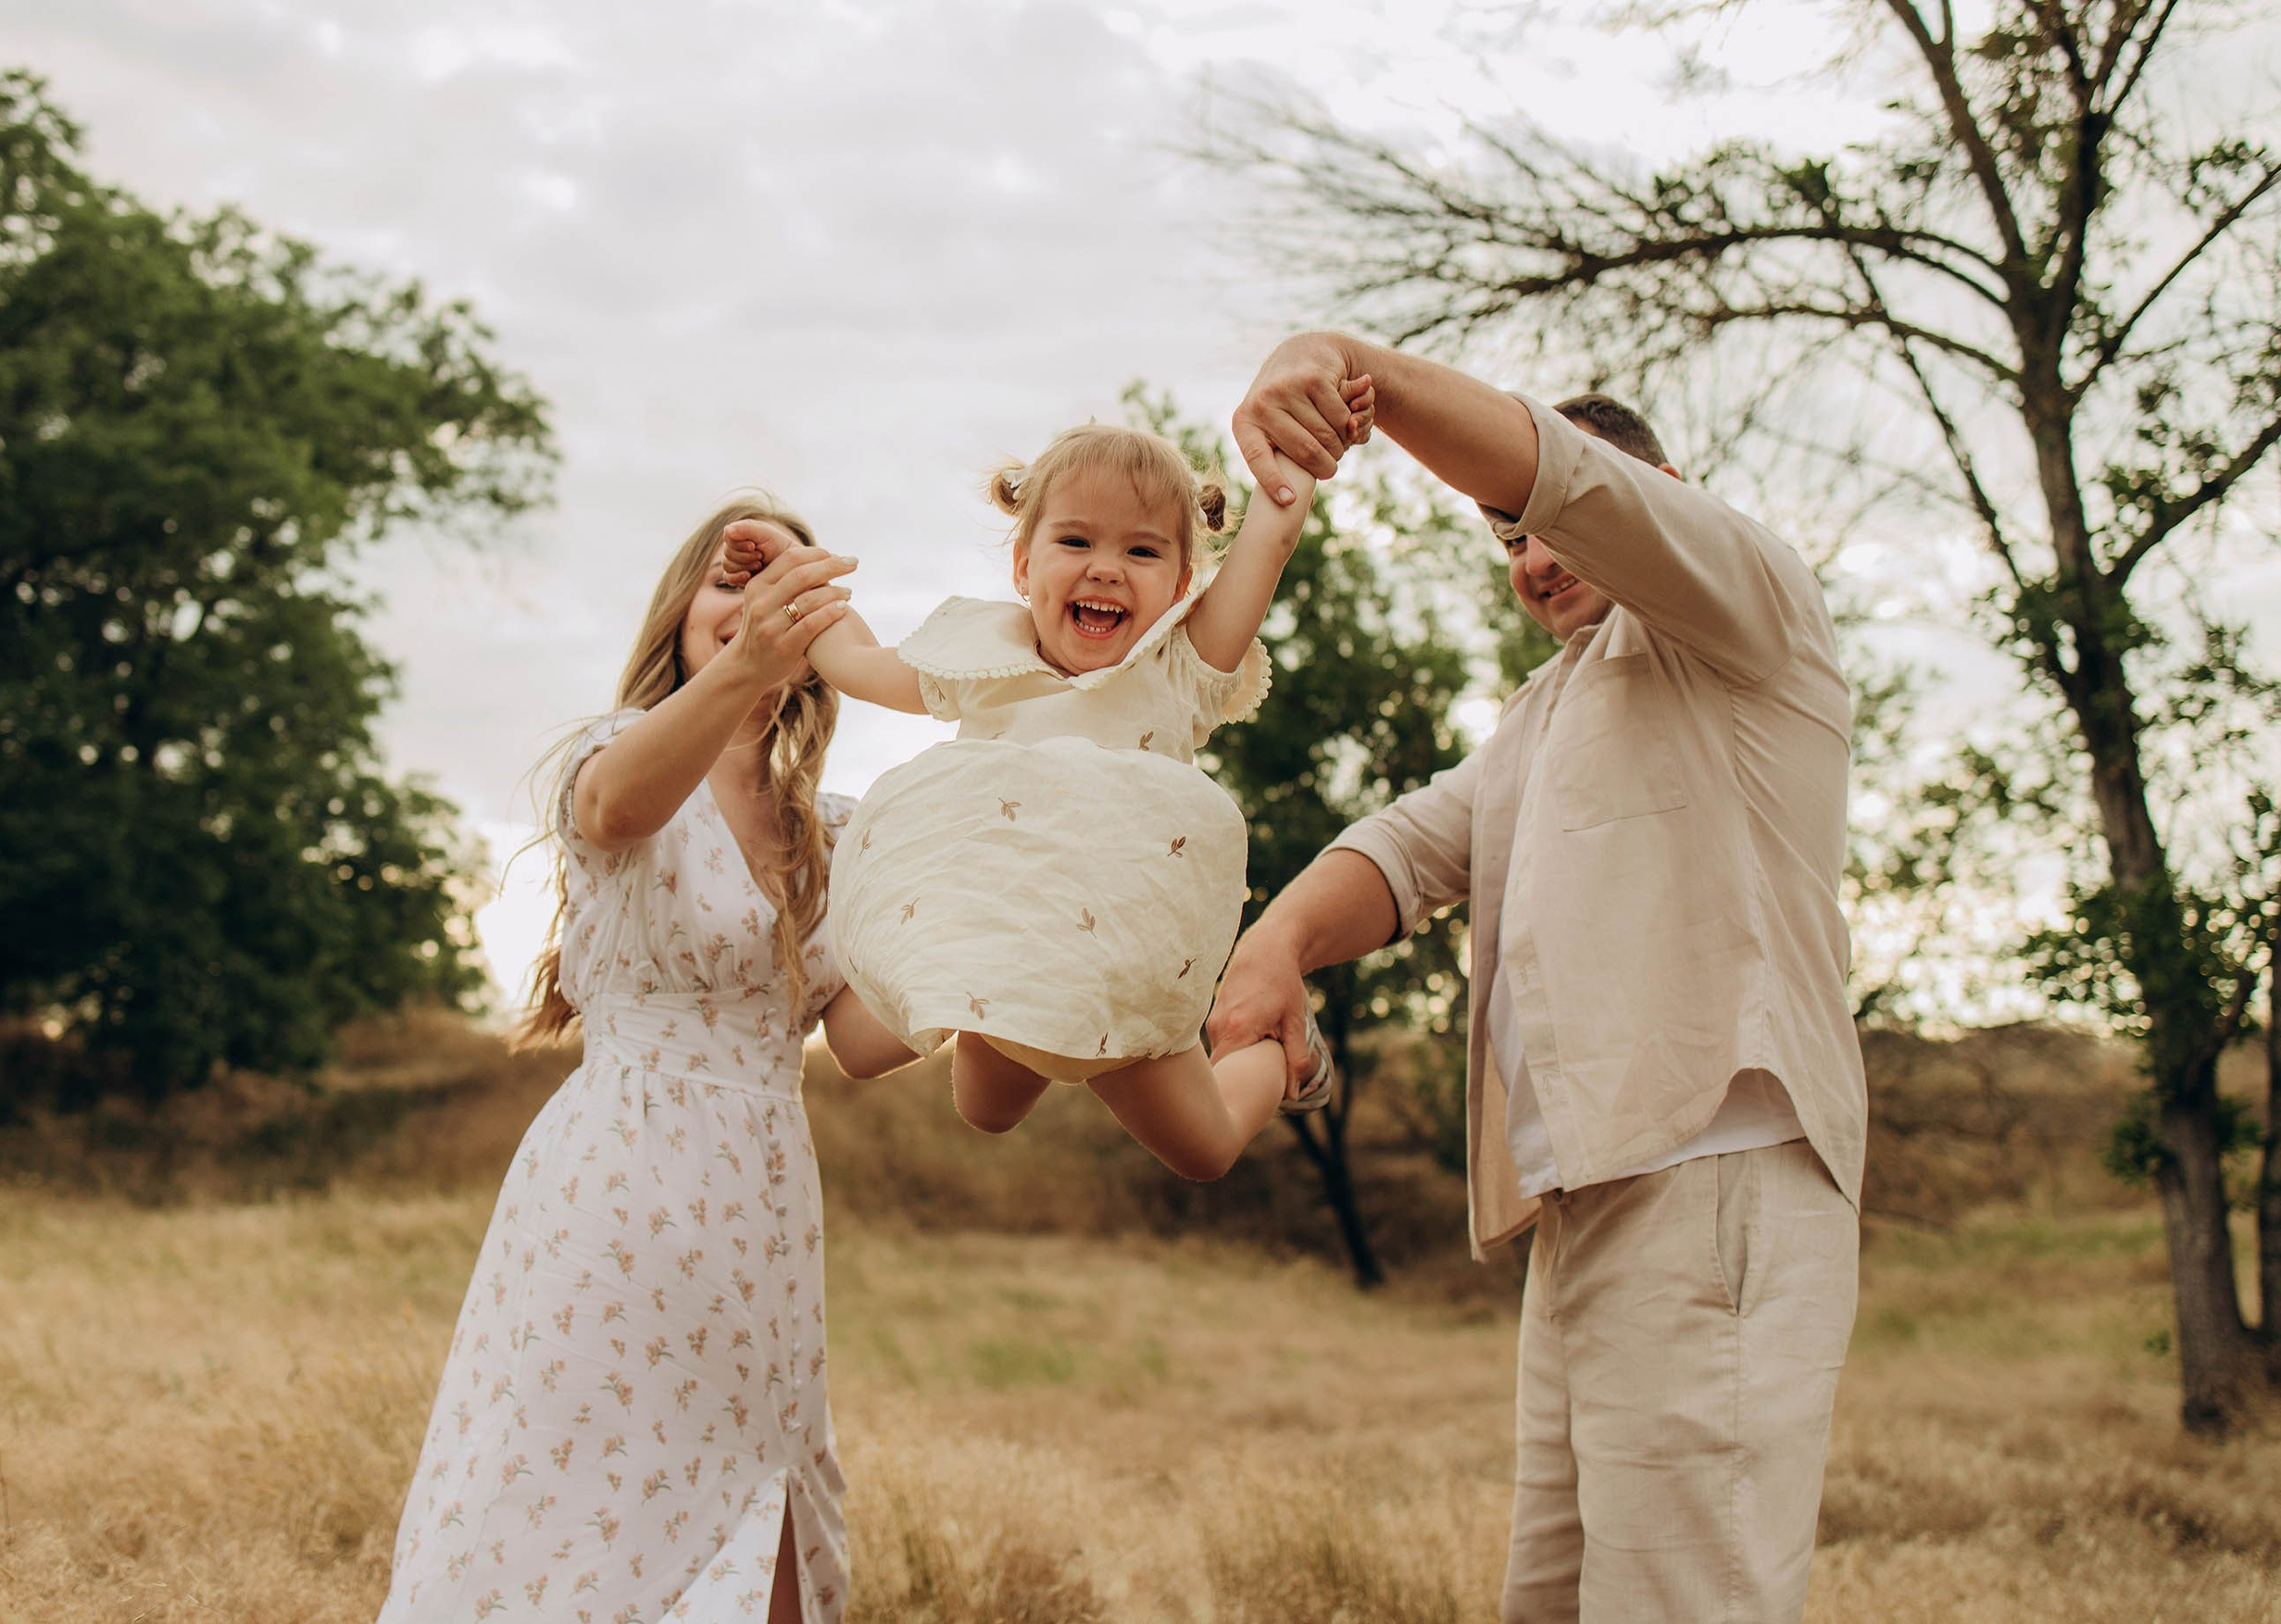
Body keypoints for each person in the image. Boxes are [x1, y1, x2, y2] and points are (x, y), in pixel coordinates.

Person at [1209, 332, 1867, 1623]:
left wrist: (1354, 370)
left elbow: (1572, 483)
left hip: (1712, 1174)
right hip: (1588, 1204)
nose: (1535, 558)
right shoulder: (1547, 711)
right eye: (1506, 545)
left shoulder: (1744, 610)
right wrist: (1274, 944)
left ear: (1666, 494)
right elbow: (1410, 844)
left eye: (1538, 525)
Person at [378, 500, 918, 1624]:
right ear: (679, 613)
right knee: (564, 1506)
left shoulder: (841, 833)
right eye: (730, 581)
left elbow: (868, 1041)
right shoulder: (610, 756)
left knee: (762, 1504)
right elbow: (618, 806)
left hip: (765, 1209)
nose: (754, 608)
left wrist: (994, 909)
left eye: (783, 591)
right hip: (615, 1188)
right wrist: (751, 657)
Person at [721, 414, 1365, 1181]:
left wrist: (1297, 462)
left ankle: (1276, 1053)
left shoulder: (1179, 665)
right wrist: (792, 566)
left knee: (1209, 1149)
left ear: (1183, 584)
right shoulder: (983, 661)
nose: (1106, 568)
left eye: (1143, 550)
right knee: (984, 1110)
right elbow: (854, 658)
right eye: (1076, 542)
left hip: (1127, 961)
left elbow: (1270, 544)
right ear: (1024, 566)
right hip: (1012, 955)